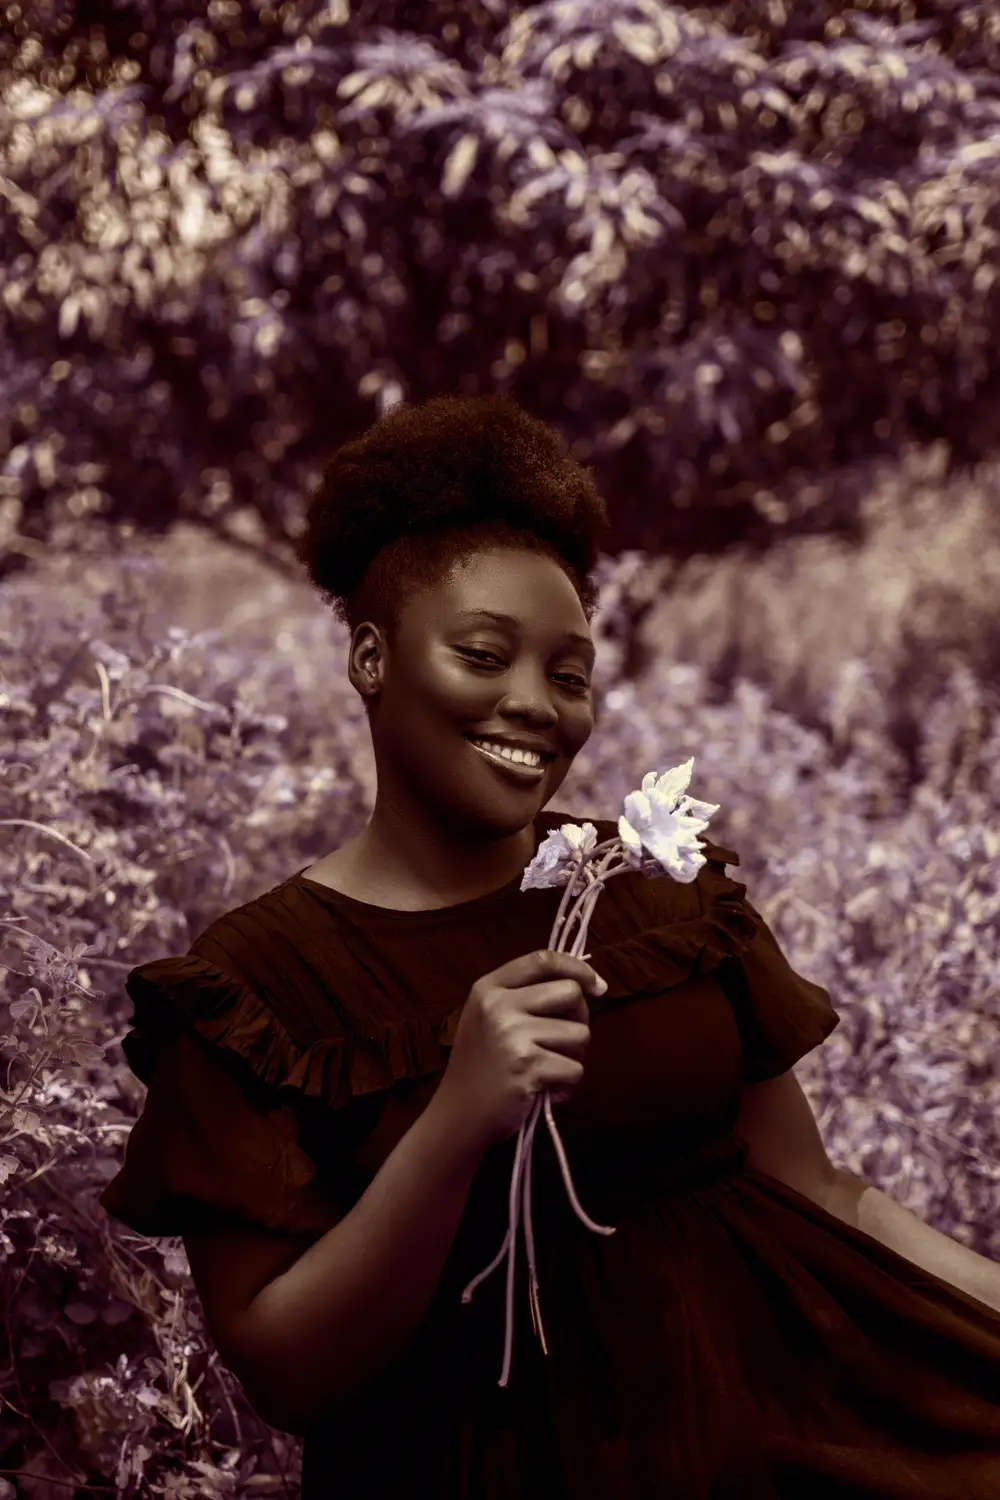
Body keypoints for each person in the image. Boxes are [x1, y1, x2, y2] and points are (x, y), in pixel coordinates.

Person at [100, 392, 1000, 1498]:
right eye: (483, 656)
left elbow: (816, 1190)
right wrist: (455, 1121)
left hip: (796, 1431)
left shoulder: (657, 893)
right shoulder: (260, 986)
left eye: (568, 674)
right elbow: (286, 1367)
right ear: (372, 660)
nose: (535, 705)